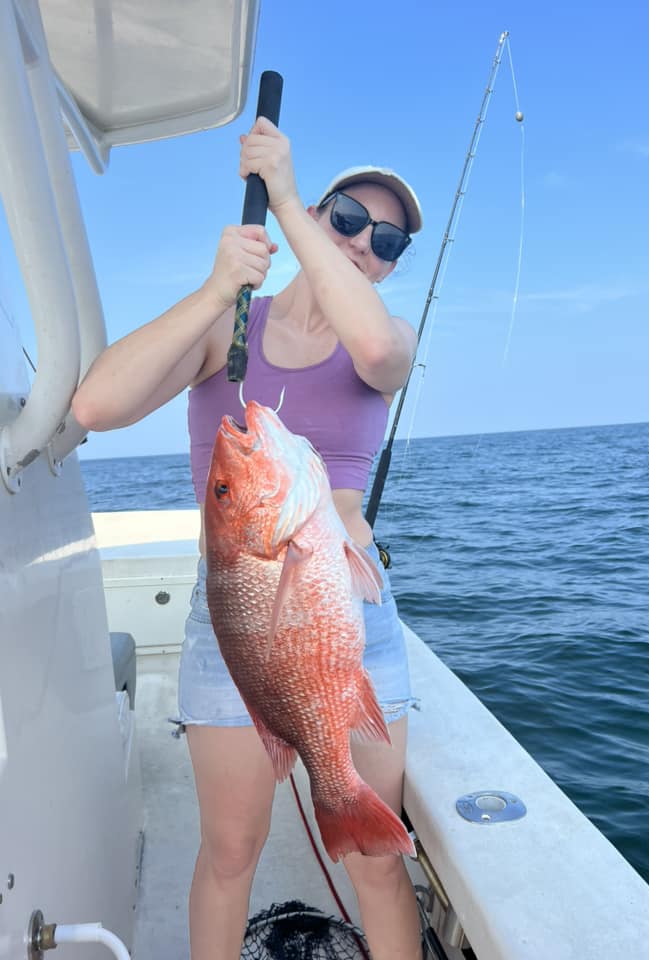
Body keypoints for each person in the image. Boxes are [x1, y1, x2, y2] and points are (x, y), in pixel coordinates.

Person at [72, 117, 423, 960]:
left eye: (387, 241)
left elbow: (374, 340)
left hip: (353, 621)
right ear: (325, 217)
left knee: (377, 858)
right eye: (347, 219)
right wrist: (215, 288)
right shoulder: (232, 330)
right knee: (231, 851)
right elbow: (94, 406)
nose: (361, 245)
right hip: (235, 625)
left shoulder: (385, 348)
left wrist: (290, 201)